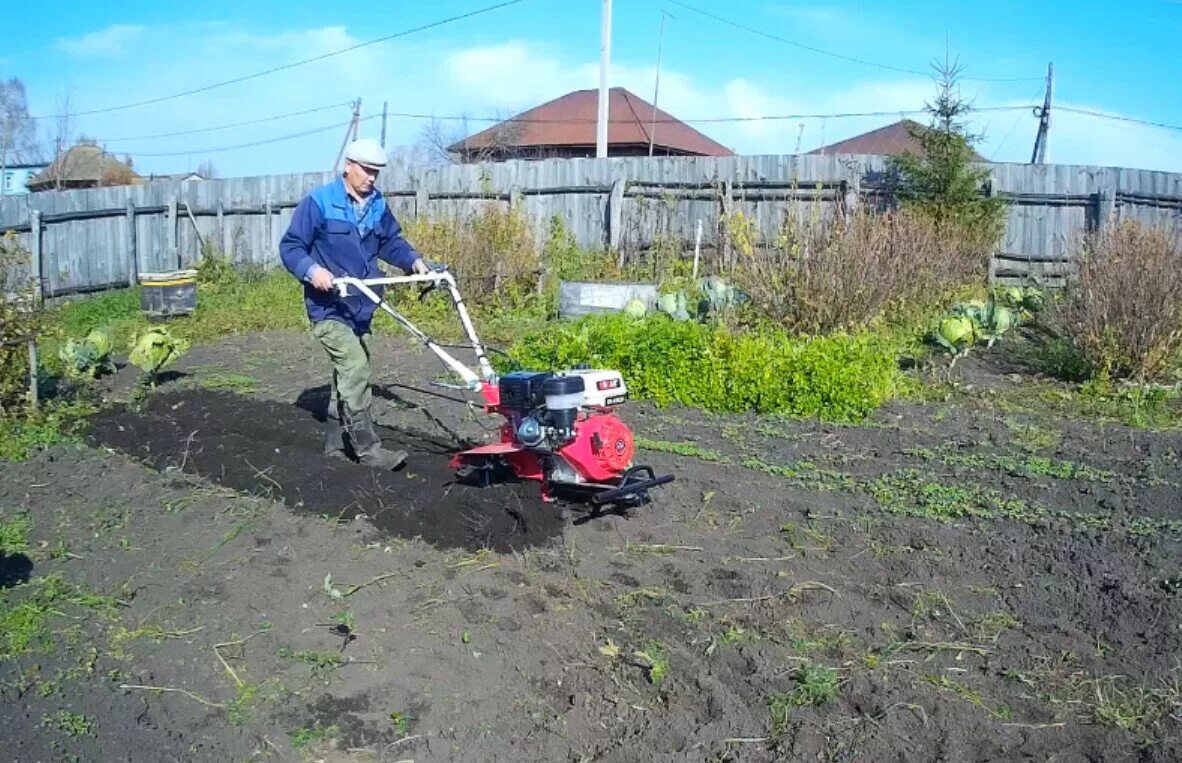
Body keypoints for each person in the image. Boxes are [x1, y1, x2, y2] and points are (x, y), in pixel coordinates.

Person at [279, 137, 433, 469]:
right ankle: (368, 448)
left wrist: (413, 261)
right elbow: (291, 247)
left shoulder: (376, 204)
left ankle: (335, 445)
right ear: (348, 166)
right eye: (366, 171)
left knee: (346, 375)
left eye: (376, 172)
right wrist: (313, 270)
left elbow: (390, 241)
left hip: (363, 306)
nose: (371, 178)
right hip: (329, 307)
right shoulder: (319, 203)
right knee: (355, 368)